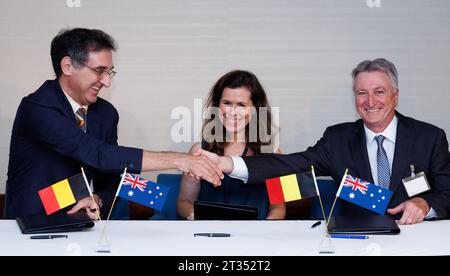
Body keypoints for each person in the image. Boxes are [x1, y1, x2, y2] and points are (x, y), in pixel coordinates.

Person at [4, 28, 223, 220]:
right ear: (68, 66)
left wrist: (98, 199)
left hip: (86, 225)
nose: (107, 82)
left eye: (109, 72)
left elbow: (110, 173)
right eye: (99, 71)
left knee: (157, 198)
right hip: (33, 225)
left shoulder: (106, 113)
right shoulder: (37, 107)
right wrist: (179, 160)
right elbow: (97, 153)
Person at [199, 58, 450, 225]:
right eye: (362, 93)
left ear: (395, 96)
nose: (370, 101)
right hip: (357, 240)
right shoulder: (337, 140)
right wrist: (227, 164)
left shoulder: (430, 137)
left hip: (419, 239)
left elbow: (447, 191)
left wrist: (425, 203)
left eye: (379, 92)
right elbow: (291, 165)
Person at [177, 70, 285, 220]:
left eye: (241, 105)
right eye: (227, 103)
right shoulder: (200, 150)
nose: (233, 112)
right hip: (210, 235)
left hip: (255, 238)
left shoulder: (272, 152)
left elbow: (278, 207)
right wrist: (193, 215)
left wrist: (267, 225)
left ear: (255, 110)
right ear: (217, 106)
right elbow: (184, 201)